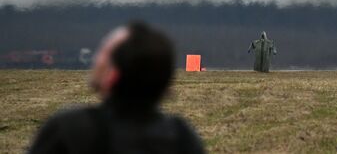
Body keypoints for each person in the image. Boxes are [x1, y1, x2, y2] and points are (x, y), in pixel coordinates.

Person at [29, 22, 205, 154]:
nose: (95, 59)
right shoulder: (182, 136)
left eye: (102, 53)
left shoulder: (69, 129)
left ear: (113, 75)